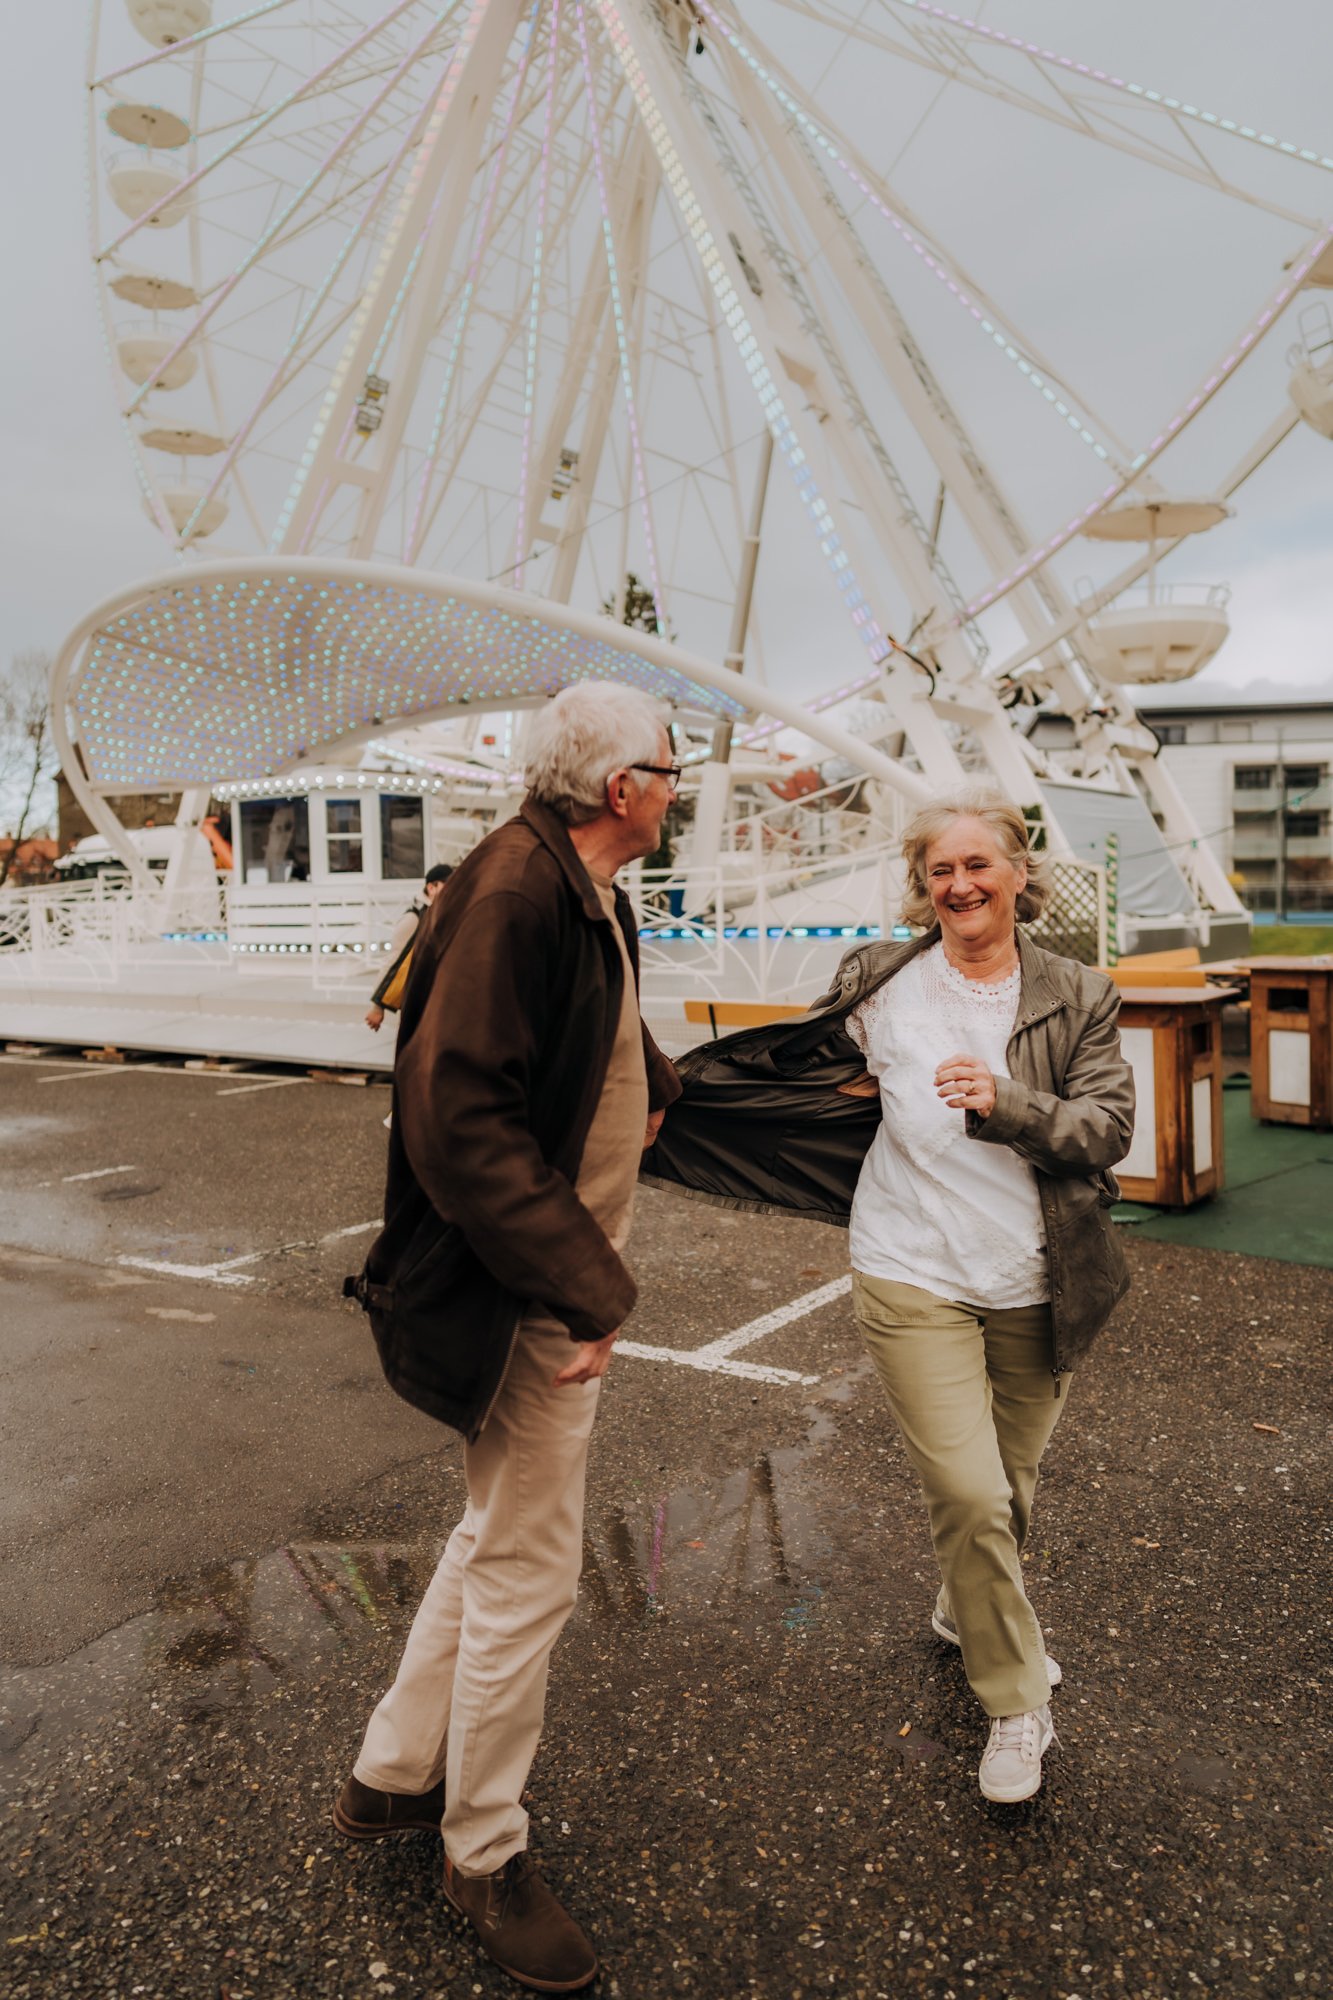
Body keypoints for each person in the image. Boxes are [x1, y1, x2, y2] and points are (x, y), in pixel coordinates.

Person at [643, 787, 1134, 1804]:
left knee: (1008, 1488)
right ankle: (1014, 1701)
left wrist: (1008, 1102)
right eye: (939, 871)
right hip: (908, 1265)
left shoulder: (1076, 992)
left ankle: (967, 1607)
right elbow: (807, 1071)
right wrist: (657, 1103)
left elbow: (1106, 1129)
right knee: (967, 1490)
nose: (958, 885)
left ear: (1018, 875)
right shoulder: (879, 979)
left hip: (1039, 1277)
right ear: (924, 887)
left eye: (976, 866)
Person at [336, 683, 682, 1992]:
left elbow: (588, 1016)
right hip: (524, 1299)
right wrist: (581, 1284)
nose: (677, 778)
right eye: (666, 762)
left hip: (542, 1284)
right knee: (530, 1570)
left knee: (490, 1536)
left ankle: (389, 1775)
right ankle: (481, 1849)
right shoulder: (519, 892)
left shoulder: (576, 886)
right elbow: (456, 1113)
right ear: (619, 790)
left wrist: (661, 1082)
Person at [365, 862, 454, 1032]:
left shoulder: (444, 916)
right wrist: (378, 1007)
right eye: (447, 885)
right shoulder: (414, 919)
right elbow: (394, 961)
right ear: (431, 887)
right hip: (419, 1000)